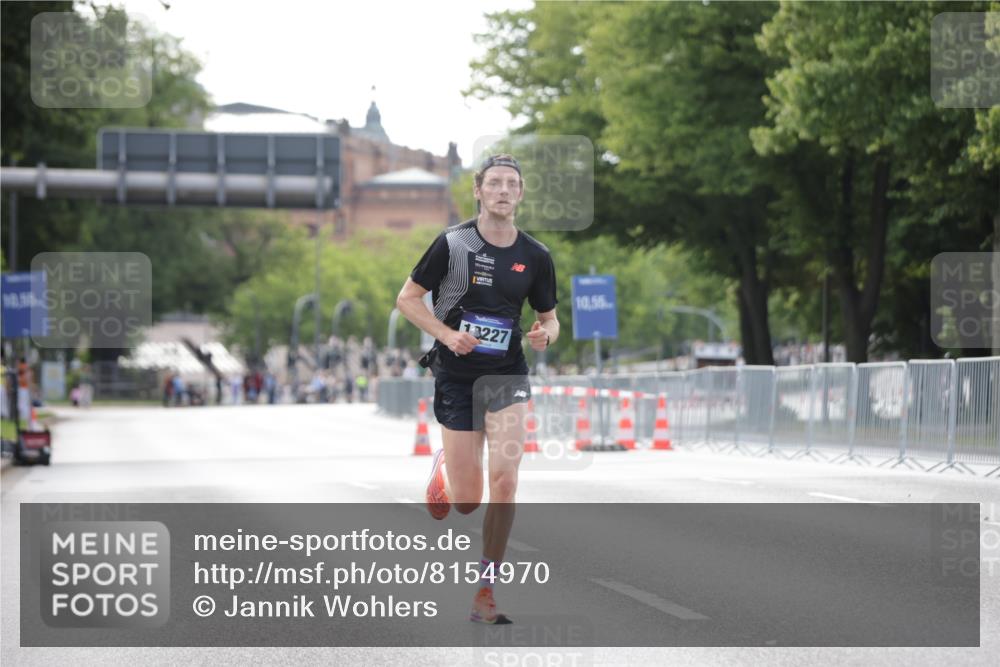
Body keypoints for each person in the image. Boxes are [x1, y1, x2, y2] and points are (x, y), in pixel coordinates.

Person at [396, 153, 559, 625]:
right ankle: (447, 470)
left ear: (521, 193)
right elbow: (407, 299)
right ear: (479, 190)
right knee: (468, 500)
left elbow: (550, 320)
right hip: (457, 377)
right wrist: (446, 335)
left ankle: (485, 591)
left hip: (508, 375)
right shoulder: (453, 244)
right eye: (495, 183)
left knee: (505, 484)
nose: (504, 190)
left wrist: (546, 334)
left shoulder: (535, 256)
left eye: (512, 184)